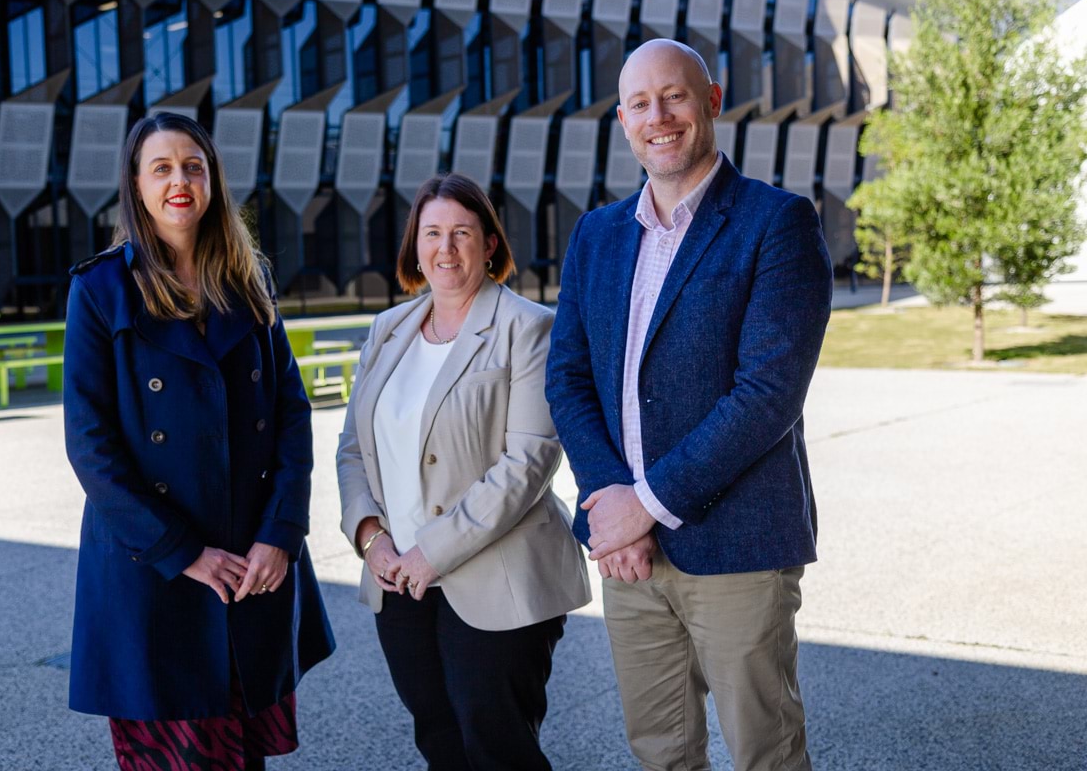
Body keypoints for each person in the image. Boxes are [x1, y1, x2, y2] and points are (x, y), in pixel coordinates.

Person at [545, 39, 833, 771]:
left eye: (673, 96)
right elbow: (569, 378)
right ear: (622, 120)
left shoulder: (778, 222)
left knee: (764, 752)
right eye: (640, 104)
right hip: (629, 558)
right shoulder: (597, 235)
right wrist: (612, 504)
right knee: (661, 752)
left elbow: (767, 393)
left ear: (709, 100)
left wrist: (647, 502)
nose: (658, 116)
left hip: (737, 547)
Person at [63, 112, 334, 771]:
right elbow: (90, 442)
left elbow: (292, 416)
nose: (179, 180)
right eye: (161, 167)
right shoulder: (99, 290)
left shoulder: (247, 281)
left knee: (243, 761)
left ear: (212, 180)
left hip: (250, 563)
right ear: (135, 183)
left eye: (193, 165)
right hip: (153, 574)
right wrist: (183, 552)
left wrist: (282, 533)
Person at [336, 173, 590, 771]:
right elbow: (353, 447)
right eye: (432, 233)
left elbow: (528, 461)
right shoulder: (387, 330)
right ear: (414, 246)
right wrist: (371, 540)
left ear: (490, 244)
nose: (445, 249)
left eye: (461, 233)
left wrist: (431, 551)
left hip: (495, 577)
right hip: (399, 580)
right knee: (440, 742)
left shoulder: (527, 328)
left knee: (498, 748)